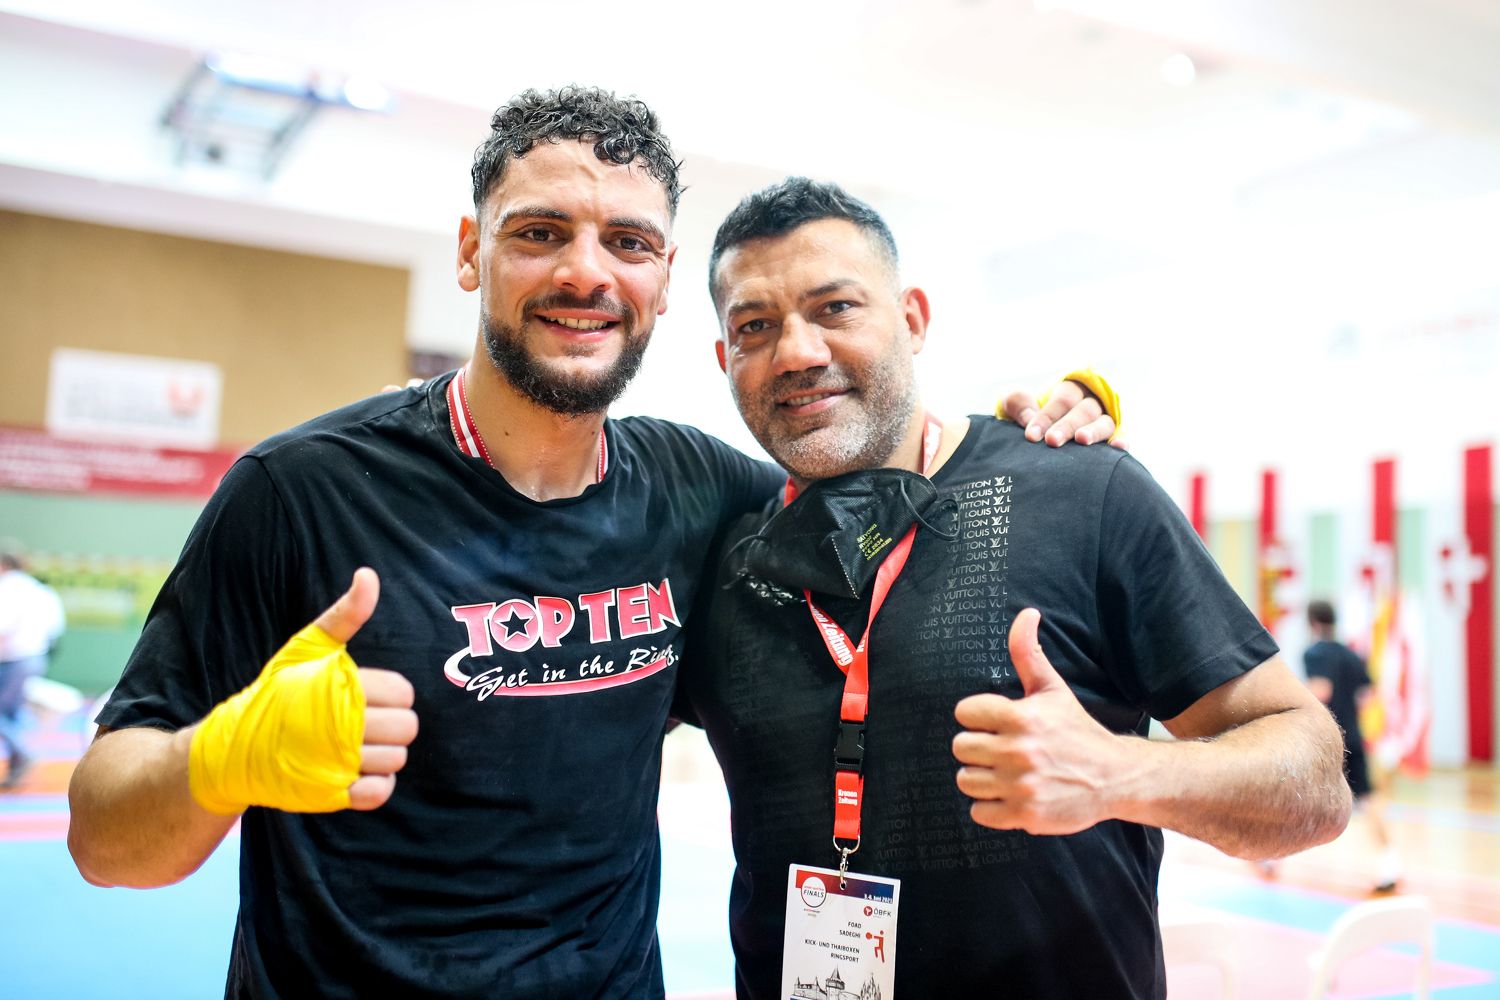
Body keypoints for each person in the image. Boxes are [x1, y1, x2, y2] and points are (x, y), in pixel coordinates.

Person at [65, 87, 1114, 999]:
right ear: (472, 251)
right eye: (538, 233)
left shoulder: (703, 492)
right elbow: (102, 839)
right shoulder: (298, 492)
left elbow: (886, 480)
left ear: (661, 280)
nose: (586, 273)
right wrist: (222, 756)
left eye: (629, 242)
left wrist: (1036, 431)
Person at [673, 178, 1352, 999]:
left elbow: (1316, 786)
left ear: (913, 319)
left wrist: (1118, 774)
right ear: (725, 360)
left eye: (835, 308)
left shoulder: (1082, 490)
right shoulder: (723, 557)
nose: (798, 351)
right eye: (755, 326)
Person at [1305, 598, 1402, 892]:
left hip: (1327, 739)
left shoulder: (1314, 653)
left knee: (1293, 794)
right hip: (1354, 737)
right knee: (1369, 800)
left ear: (1311, 623)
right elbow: (1369, 693)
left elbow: (1321, 691)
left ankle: (1269, 858)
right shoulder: (1351, 653)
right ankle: (1389, 865)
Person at [0, 538, 66, 791]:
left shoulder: (8, 588)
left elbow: (3, 625)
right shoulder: (40, 590)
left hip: (11, 659)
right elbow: (55, 627)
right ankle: (17, 767)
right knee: (12, 715)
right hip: (33, 657)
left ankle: (24, 753)